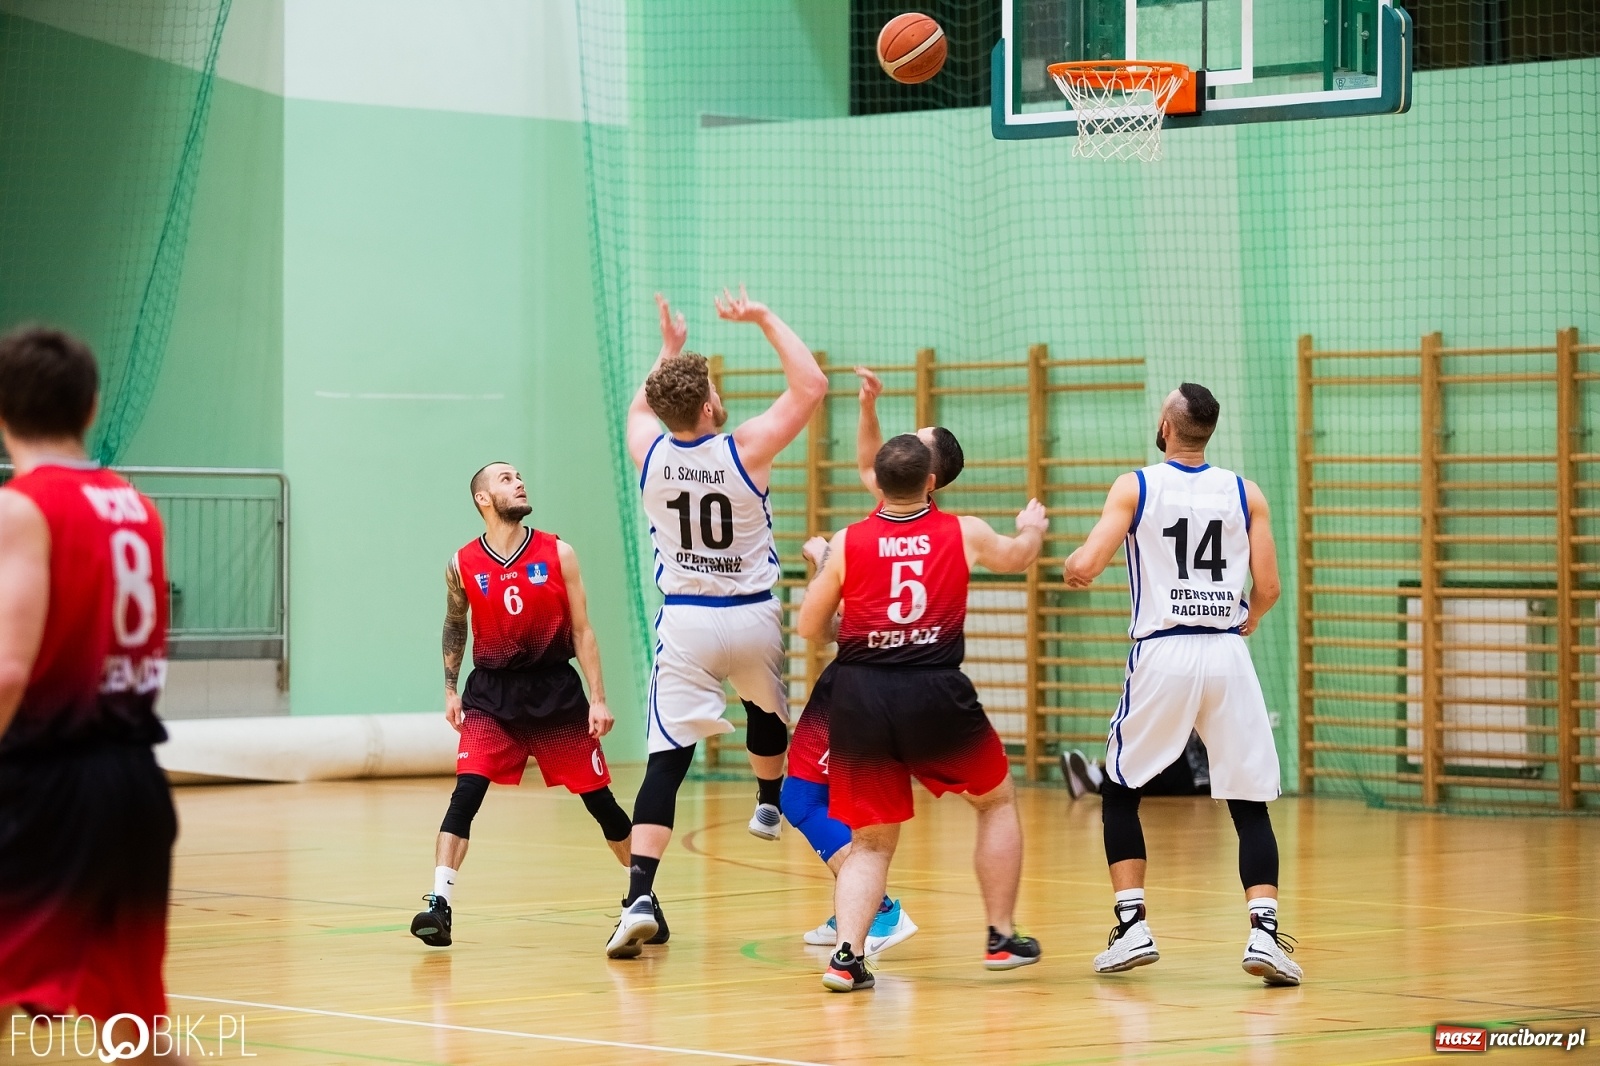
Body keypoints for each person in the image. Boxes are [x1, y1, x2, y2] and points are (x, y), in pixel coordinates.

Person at [606, 288, 829, 958]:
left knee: (666, 759)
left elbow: (641, 406)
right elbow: (811, 384)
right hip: (754, 614)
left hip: (689, 622)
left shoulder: (647, 449)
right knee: (768, 709)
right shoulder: (747, 449)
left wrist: (668, 352)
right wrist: (763, 316)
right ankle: (767, 799)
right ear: (708, 406)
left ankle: (639, 892)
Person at [1063, 382, 1301, 986]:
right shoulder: (1247, 493)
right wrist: (1248, 619)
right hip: (1226, 651)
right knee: (1248, 798)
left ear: (1167, 426)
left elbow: (1086, 565)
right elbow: (1269, 588)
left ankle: (1132, 925)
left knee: (1120, 788)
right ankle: (1265, 935)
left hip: (1163, 650)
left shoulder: (1136, 485)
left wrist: (1070, 565)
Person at [0, 326, 191, 1065]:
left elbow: (12, 669)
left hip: (49, 785)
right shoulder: (136, 506)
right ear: (92, 407)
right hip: (134, 787)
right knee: (137, 1038)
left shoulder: (23, 507)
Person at [797, 434, 1049, 992]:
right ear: (931, 482)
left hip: (861, 696)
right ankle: (1001, 937)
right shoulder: (965, 531)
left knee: (869, 841)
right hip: (934, 690)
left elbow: (809, 628)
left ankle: (846, 956)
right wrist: (1033, 525)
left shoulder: (849, 540)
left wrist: (825, 567)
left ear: (878, 484)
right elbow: (1018, 558)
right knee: (996, 800)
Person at [410, 462, 633, 948]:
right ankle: (439, 903)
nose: (520, 483)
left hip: (555, 693)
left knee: (602, 805)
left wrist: (598, 698)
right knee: (465, 794)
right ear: (483, 499)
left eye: (520, 477)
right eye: (507, 479)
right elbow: (454, 624)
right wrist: (450, 688)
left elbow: (582, 630)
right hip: (491, 695)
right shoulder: (462, 562)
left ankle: (641, 896)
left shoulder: (559, 552)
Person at [785, 366, 965, 954]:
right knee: (845, 806)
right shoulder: (930, 525)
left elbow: (831, 627)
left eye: (914, 441)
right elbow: (871, 464)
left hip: (863, 687)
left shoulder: (871, 539)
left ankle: (879, 911)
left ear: (926, 475)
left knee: (802, 798)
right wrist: (868, 407)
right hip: (899, 686)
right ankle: (855, 914)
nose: (899, 444)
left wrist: (821, 565)